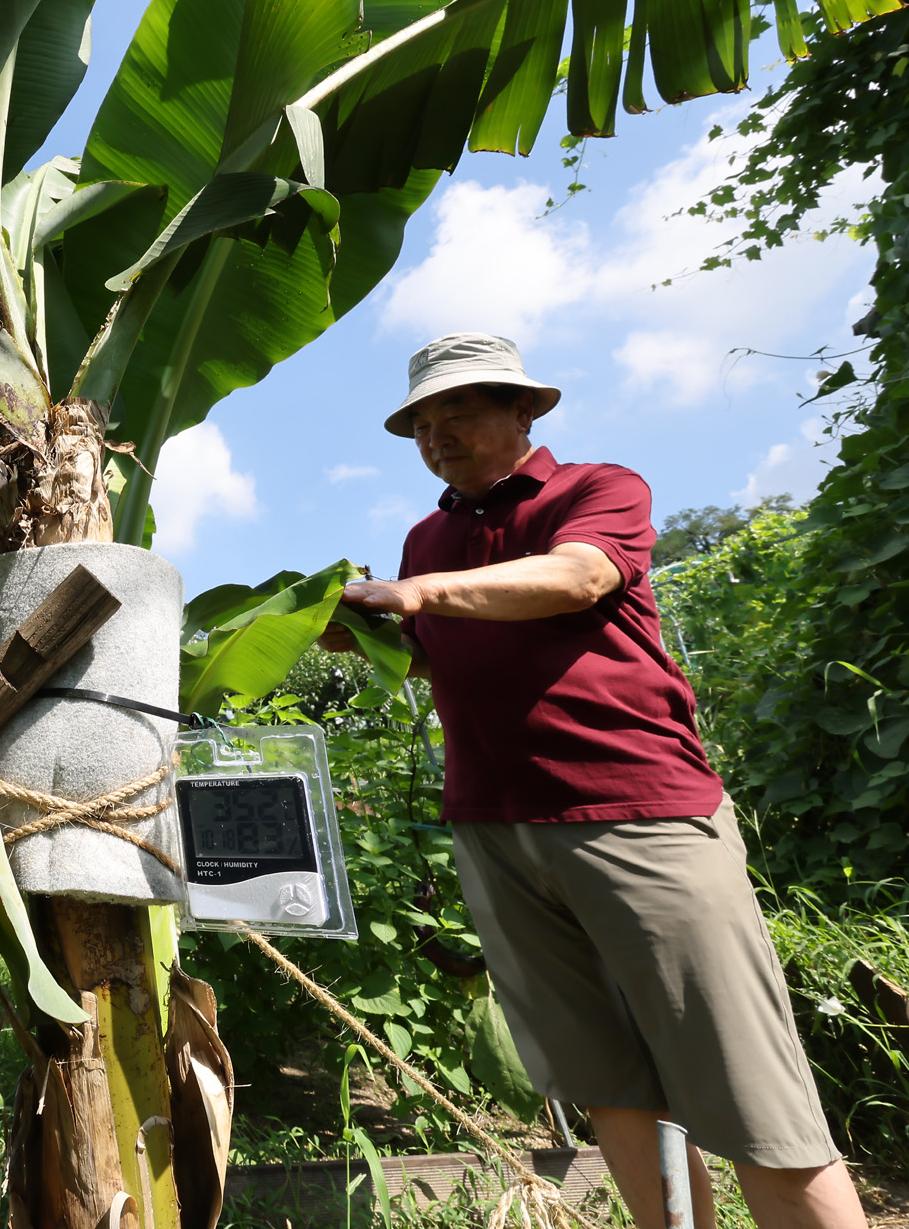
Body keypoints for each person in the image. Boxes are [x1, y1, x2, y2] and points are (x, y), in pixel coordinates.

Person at [323, 333, 867, 1229]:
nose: (436, 431)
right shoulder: (430, 536)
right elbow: (450, 649)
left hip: (635, 814)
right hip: (496, 827)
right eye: (421, 418)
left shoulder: (597, 490)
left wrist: (419, 597)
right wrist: (372, 632)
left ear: (524, 409)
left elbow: (577, 579)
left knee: (752, 1093)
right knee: (607, 1083)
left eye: (458, 407)